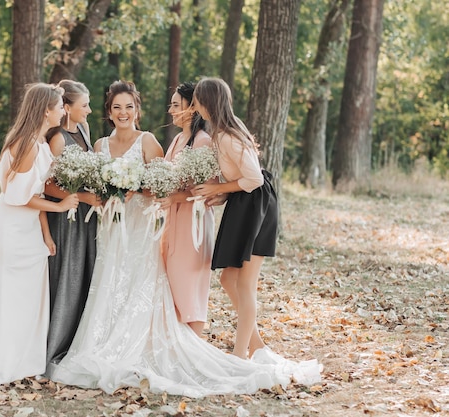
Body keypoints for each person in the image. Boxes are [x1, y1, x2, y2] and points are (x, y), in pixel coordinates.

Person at [47, 80, 321, 397]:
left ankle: (229, 350)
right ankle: (250, 347)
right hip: (112, 227)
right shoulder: (101, 146)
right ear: (109, 112)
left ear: (137, 109)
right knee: (111, 280)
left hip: (149, 225)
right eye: (117, 107)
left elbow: (164, 183)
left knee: (191, 283)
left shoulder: (163, 141)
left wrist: (140, 187)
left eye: (129, 106)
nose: (123, 113)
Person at [0, 83, 79, 385]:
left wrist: (46, 234)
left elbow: (34, 193)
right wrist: (61, 207)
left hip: (29, 224)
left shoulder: (40, 144)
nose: (63, 110)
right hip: (13, 226)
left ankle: (24, 363)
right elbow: (17, 196)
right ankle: (8, 367)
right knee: (15, 296)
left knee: (31, 297)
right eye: (60, 106)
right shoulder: (27, 145)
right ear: (46, 110)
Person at [192, 77, 279, 361]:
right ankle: (257, 346)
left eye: (197, 101)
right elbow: (239, 177)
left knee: (244, 282)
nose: (195, 107)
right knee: (229, 278)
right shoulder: (221, 133)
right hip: (243, 203)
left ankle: (240, 354)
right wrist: (222, 195)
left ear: (207, 103)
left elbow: (253, 178)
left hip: (256, 206)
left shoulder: (228, 135)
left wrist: (218, 188)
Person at [44, 80, 101, 367]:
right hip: (65, 217)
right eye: (84, 105)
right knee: (66, 276)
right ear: (66, 108)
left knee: (84, 277)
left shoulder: (84, 130)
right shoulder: (56, 139)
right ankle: (55, 345)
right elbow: (46, 186)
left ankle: (79, 344)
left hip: (87, 218)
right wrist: (80, 196)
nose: (89, 110)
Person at [155, 82, 216, 335]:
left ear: (192, 108)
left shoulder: (203, 142)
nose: (170, 110)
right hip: (172, 220)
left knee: (189, 285)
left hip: (193, 224)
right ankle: (180, 348)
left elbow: (208, 190)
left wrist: (176, 198)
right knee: (173, 284)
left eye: (175, 105)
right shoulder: (179, 139)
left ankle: (195, 348)